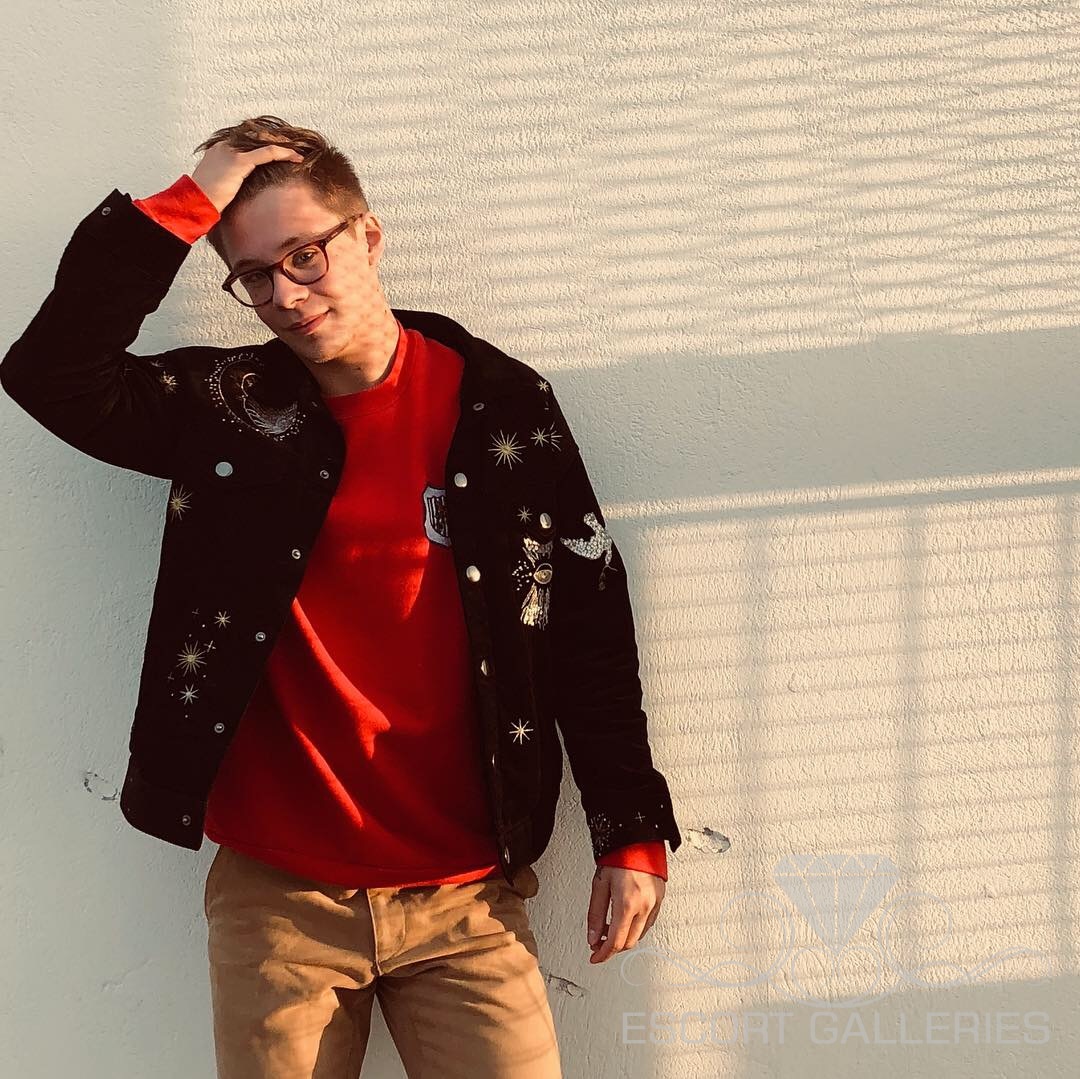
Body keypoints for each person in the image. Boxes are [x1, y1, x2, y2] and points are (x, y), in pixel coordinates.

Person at [0, 116, 682, 1078]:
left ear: (368, 235)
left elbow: (587, 624)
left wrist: (631, 827)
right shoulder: (229, 408)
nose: (286, 294)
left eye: (305, 255)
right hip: (279, 902)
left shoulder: (503, 408)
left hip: (467, 897)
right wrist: (187, 204)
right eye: (254, 275)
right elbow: (52, 375)